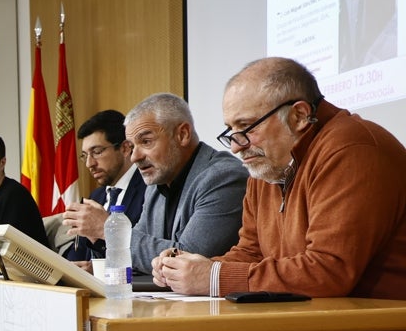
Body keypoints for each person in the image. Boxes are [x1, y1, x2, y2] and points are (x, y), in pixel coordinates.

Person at [153, 56, 406, 299]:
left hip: (382, 327)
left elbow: (329, 270)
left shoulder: (351, 150)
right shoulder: (268, 165)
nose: (236, 146)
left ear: (299, 116)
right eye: (232, 130)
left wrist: (214, 276)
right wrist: (188, 270)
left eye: (247, 126)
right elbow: (251, 252)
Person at [124, 93, 248, 273]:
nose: (135, 157)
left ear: (182, 134)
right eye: (132, 146)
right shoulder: (156, 185)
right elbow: (140, 250)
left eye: (146, 141)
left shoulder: (224, 177)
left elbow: (189, 261)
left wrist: (112, 232)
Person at [61, 109, 146, 262]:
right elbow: (78, 254)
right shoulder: (96, 197)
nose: (89, 164)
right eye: (85, 156)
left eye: (97, 152)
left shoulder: (149, 190)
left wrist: (99, 269)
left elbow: (145, 251)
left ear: (125, 148)